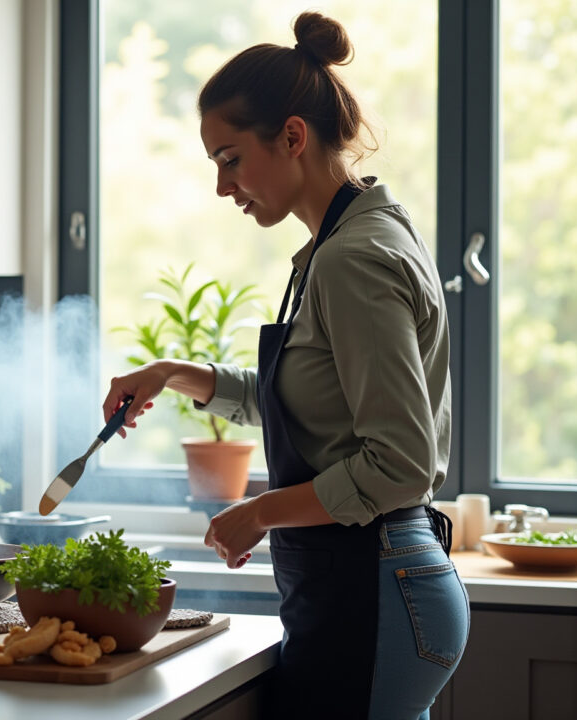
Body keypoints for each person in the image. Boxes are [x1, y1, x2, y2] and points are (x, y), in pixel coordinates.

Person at [103, 12, 468, 720]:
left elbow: (399, 464)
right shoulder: (348, 239)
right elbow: (309, 403)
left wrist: (261, 512)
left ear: (293, 137)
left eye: (229, 158)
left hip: (377, 586)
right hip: (378, 584)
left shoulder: (352, 259)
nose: (222, 187)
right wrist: (173, 371)